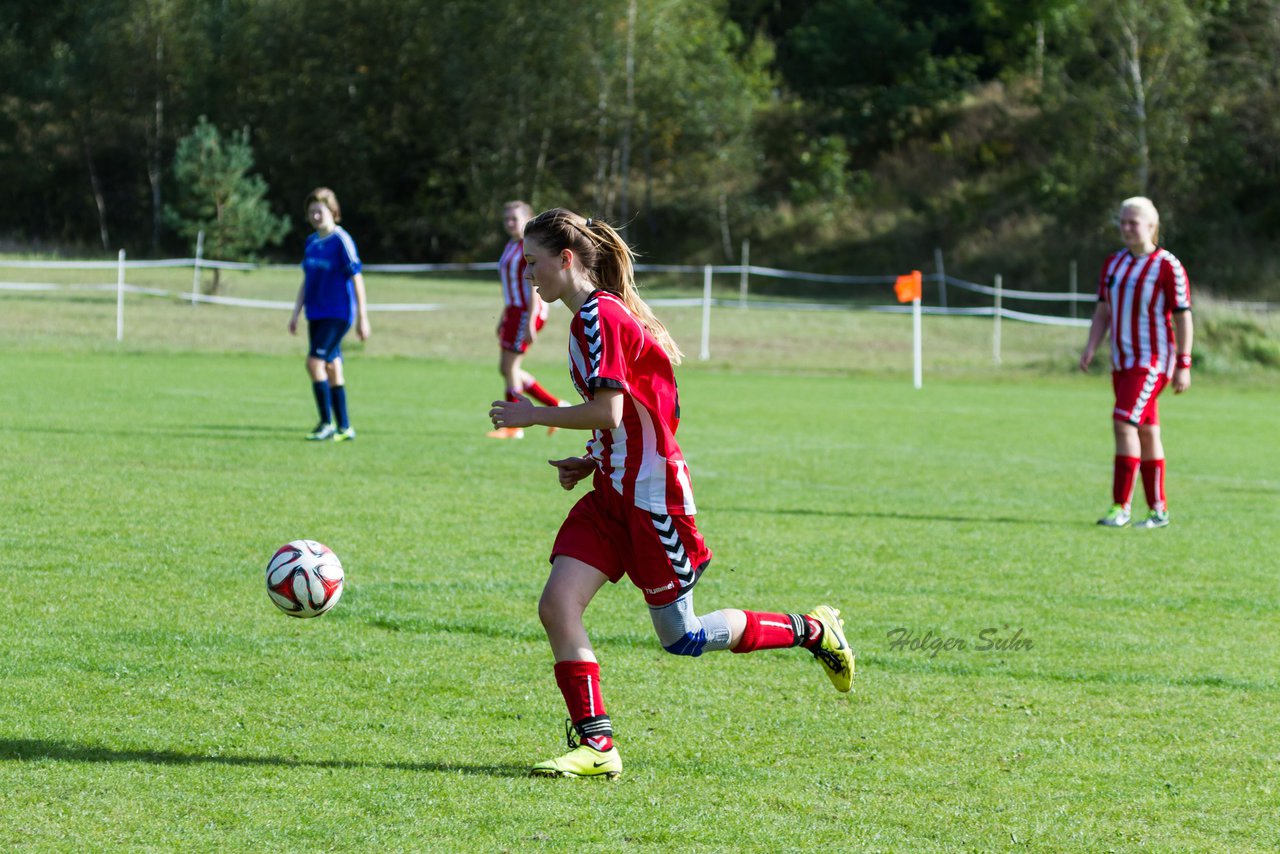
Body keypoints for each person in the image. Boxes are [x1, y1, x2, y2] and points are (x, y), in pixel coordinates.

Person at [488, 208, 854, 780]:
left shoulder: (598, 318)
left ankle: (812, 629)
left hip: (652, 501)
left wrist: (533, 415)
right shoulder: (590, 315)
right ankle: (598, 745)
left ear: (565, 260)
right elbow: (638, 414)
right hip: (612, 491)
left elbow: (610, 411)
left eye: (533, 261)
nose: (527, 272)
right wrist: (591, 460)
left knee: (681, 637)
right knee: (557, 606)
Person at [1079, 196, 1193, 528]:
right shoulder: (1113, 263)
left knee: (1123, 422)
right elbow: (1103, 311)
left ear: (1152, 226)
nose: (1126, 228)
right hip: (1122, 362)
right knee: (1145, 431)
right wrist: (1091, 347)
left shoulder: (1167, 265)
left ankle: (1120, 507)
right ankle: (1158, 511)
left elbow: (1184, 317)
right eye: (1123, 221)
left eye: (1133, 222)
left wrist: (1184, 363)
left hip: (1152, 360)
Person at [288, 187, 370, 442]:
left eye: (319, 211)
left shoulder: (341, 241)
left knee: (314, 363)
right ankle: (344, 428)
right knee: (333, 368)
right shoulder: (312, 243)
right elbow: (307, 280)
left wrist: (362, 318)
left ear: (332, 211)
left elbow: (357, 279)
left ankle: (326, 423)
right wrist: (295, 312)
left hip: (338, 313)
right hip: (316, 314)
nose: (315, 216)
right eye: (311, 212)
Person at [487, 200, 568, 440]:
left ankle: (513, 427)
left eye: (515, 219)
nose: (510, 223)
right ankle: (555, 406)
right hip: (513, 311)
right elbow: (511, 286)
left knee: (511, 368)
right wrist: (504, 315)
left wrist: (531, 319)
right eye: (507, 219)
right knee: (507, 368)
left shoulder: (526, 246)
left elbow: (532, 284)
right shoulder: (511, 245)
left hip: (525, 311)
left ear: (526, 220)